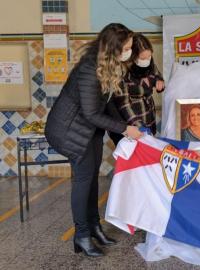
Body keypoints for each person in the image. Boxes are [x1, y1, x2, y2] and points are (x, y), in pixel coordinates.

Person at [45, 23, 143, 257]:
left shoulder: (106, 65)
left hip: (90, 130)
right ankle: (81, 236)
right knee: (83, 181)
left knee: (92, 181)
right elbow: (91, 113)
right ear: (113, 48)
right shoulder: (88, 70)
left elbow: (107, 102)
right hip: (70, 132)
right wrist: (126, 130)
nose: (129, 51)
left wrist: (125, 129)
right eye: (126, 47)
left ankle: (94, 228)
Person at [108, 33, 165, 145]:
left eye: (149, 56)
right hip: (130, 121)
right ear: (132, 57)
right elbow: (124, 104)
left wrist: (160, 82)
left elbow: (157, 76)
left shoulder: (150, 64)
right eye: (142, 58)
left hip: (149, 115)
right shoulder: (122, 71)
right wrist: (139, 128)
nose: (147, 61)